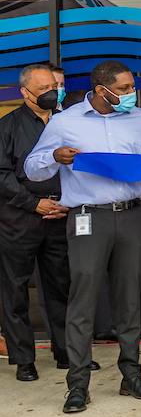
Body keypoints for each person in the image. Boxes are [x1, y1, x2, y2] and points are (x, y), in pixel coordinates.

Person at [25, 60, 141, 414]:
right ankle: (77, 385)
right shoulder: (65, 121)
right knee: (83, 300)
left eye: (131, 87)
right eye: (123, 89)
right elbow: (32, 166)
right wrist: (55, 156)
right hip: (89, 217)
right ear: (101, 89)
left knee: (129, 300)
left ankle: (131, 376)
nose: (130, 94)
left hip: (132, 215)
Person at [0, 64, 70, 381]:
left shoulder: (67, 123)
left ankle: (67, 353)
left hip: (61, 215)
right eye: (42, 89)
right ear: (25, 93)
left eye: (53, 86)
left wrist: (66, 202)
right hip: (19, 220)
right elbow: (2, 176)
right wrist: (34, 203)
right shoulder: (8, 127)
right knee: (14, 291)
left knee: (62, 288)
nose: (50, 93)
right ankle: (23, 359)